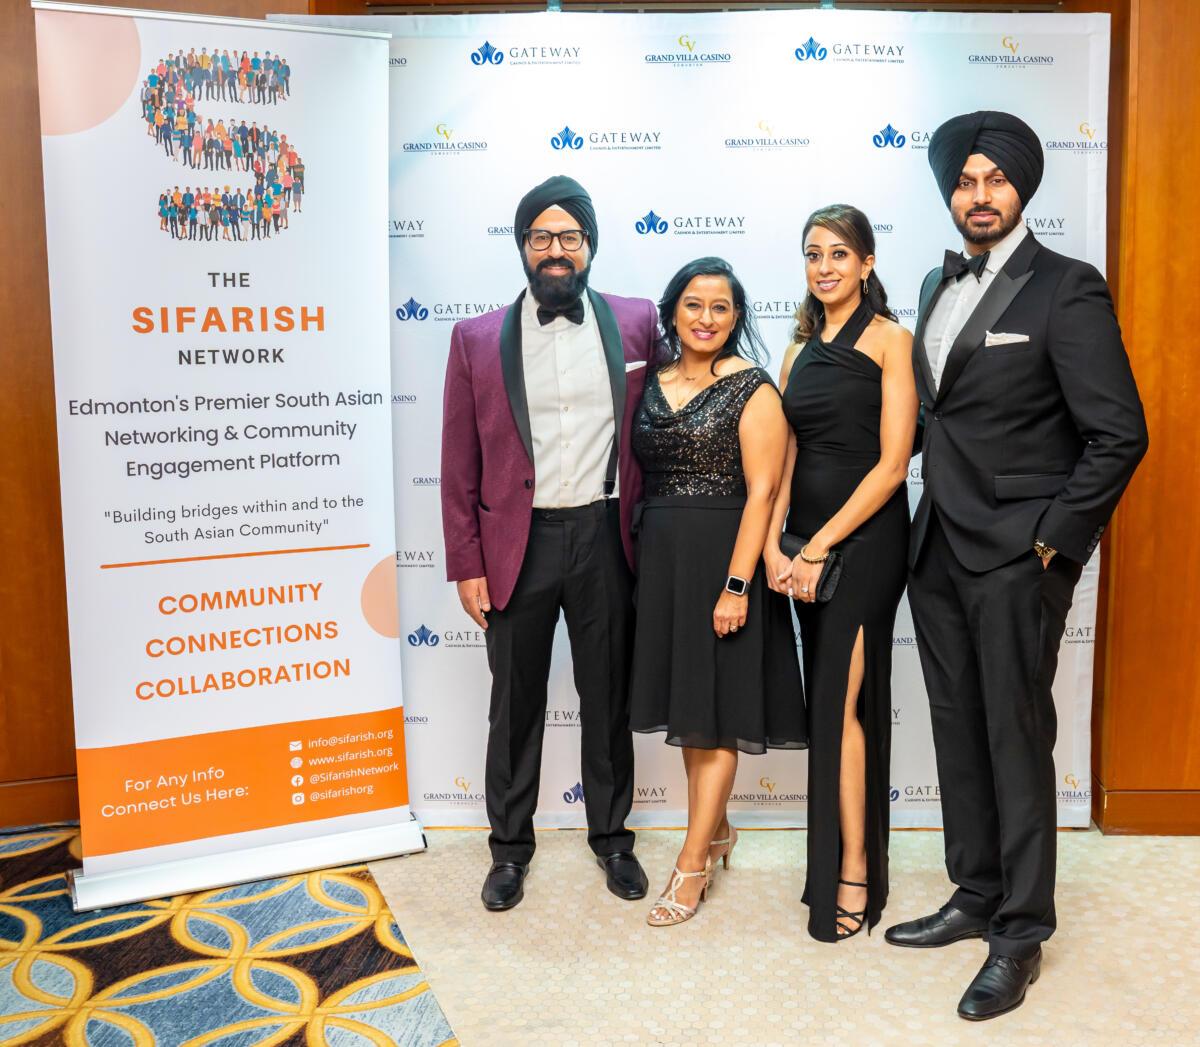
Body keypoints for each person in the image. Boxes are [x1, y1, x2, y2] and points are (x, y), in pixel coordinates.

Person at [885, 111, 1148, 1020]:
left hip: (1016, 557)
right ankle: (976, 890)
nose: (980, 195)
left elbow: (1119, 433)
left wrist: (1053, 543)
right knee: (958, 730)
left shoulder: (1067, 287)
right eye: (965, 181)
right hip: (937, 547)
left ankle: (1022, 931)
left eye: (996, 179)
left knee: (1015, 737)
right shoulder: (934, 283)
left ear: (1022, 188)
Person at [440, 175, 656, 913]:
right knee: (514, 703)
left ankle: (613, 839)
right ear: (523, 246)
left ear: (590, 245)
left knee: (608, 695)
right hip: (516, 542)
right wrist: (466, 561)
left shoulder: (637, 322)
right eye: (541, 236)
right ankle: (509, 850)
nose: (555, 249)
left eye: (569, 236)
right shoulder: (474, 339)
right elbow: (458, 461)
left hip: (605, 535)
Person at [629, 257, 806, 927]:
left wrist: (737, 585)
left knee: (719, 714)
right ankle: (719, 829)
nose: (706, 318)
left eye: (721, 307)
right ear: (673, 311)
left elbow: (763, 493)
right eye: (694, 305)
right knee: (691, 713)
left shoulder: (753, 387)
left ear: (736, 317)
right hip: (663, 563)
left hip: (724, 561)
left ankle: (692, 863)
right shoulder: (650, 382)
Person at [764, 206, 915, 943]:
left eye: (838, 254)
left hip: (866, 544)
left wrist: (819, 544)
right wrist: (773, 544)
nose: (824, 267)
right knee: (828, 706)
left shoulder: (891, 340)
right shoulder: (796, 350)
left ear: (866, 262)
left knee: (837, 706)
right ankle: (839, 861)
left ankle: (852, 869)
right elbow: (787, 456)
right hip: (802, 548)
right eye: (813, 254)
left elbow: (893, 465)